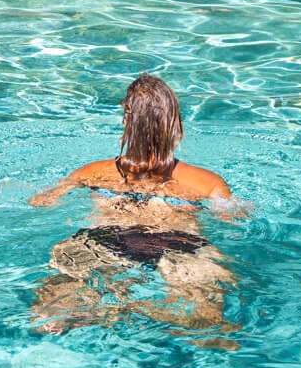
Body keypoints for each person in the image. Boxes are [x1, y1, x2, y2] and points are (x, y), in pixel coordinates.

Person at [29, 74, 239, 334]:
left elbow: (42, 202)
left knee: (46, 315)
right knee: (207, 322)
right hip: (179, 244)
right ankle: (136, 308)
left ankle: (110, 310)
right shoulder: (207, 182)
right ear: (174, 125)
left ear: (127, 122)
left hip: (105, 239)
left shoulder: (91, 172)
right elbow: (232, 220)